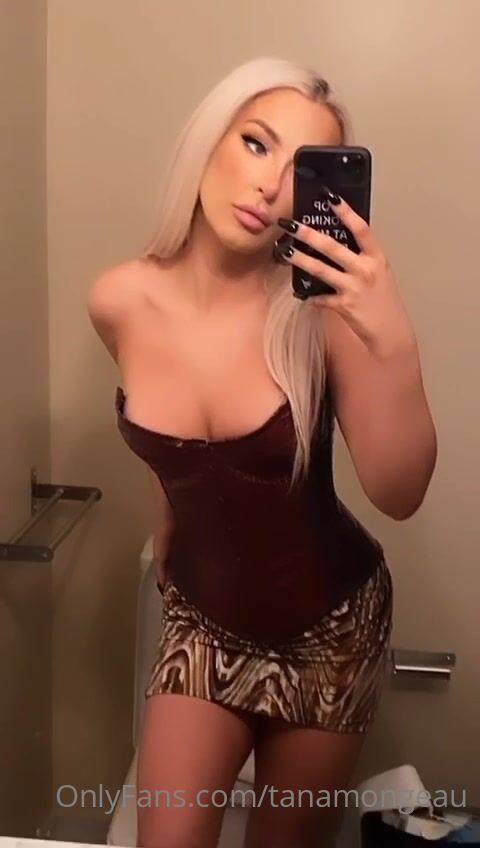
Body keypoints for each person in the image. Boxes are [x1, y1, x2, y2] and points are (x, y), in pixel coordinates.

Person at [87, 55, 437, 848]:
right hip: (203, 621)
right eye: (255, 143)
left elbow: (400, 491)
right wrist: (170, 527)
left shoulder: (321, 316)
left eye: (299, 169)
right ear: (208, 140)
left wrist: (392, 340)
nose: (271, 186)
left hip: (332, 627)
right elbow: (165, 441)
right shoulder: (117, 301)